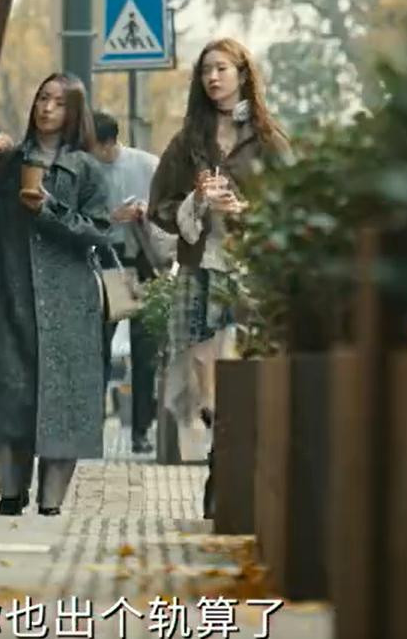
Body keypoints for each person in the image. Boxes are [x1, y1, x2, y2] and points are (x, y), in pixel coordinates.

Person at [0, 73, 111, 517]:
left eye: (58, 102)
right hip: (12, 294)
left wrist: (50, 211)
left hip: (69, 301)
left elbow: (101, 231)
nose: (47, 108)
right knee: (7, 397)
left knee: (63, 401)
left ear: (74, 112)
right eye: (42, 98)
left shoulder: (86, 168)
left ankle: (51, 499)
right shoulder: (8, 161)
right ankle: (9, 489)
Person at [148, 38, 292, 517]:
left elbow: (291, 206)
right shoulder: (189, 139)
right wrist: (196, 202)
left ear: (243, 74)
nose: (213, 77)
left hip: (249, 270)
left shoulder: (268, 139)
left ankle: (225, 477)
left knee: (241, 371)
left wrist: (244, 210)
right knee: (202, 379)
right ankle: (220, 461)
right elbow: (158, 205)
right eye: (206, 70)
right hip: (200, 267)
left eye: (222, 68)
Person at [92, 110, 160, 454]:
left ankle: (141, 431)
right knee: (99, 347)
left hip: (142, 261)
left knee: (145, 350)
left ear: (109, 142)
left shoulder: (147, 165)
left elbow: (170, 211)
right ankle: (92, 426)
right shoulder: (86, 170)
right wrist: (112, 217)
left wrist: (147, 212)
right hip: (108, 262)